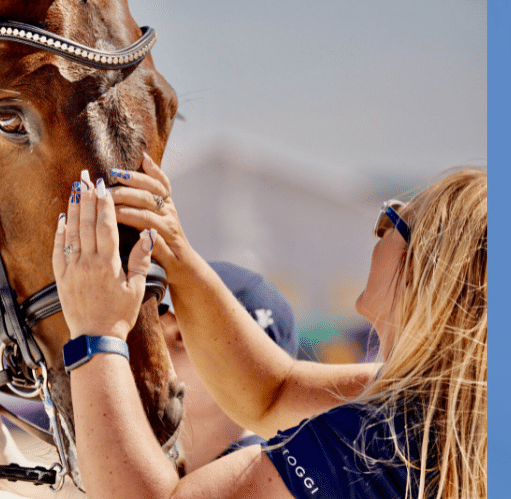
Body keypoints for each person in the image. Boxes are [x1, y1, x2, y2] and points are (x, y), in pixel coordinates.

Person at [50, 158, 486, 499]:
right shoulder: (446, 407)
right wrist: (178, 255)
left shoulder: (374, 439)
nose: (379, 230)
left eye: (392, 221)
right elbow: (273, 392)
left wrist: (96, 331)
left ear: (428, 272)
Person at [0, 262, 308, 496]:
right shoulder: (198, 471)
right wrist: (23, 472)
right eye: (152, 325)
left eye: (181, 335)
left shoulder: (263, 477)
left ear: (249, 370)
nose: (154, 348)